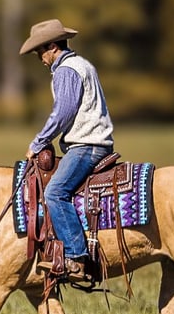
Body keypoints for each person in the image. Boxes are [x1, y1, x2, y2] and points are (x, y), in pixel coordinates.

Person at [19, 18, 115, 282]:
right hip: (95, 142)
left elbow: (63, 112)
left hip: (86, 145)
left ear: (52, 46)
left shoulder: (66, 70)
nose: (40, 57)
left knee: (55, 193)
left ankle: (76, 257)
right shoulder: (82, 64)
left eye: (40, 51)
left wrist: (39, 141)